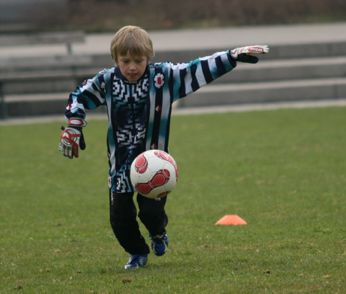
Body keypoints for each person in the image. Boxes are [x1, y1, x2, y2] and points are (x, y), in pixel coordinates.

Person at [58, 25, 269, 270]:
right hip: (120, 166)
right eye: (125, 61)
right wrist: (74, 126)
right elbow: (79, 96)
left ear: (149, 58)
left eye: (139, 60)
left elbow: (196, 68)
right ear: (115, 59)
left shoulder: (163, 78)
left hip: (156, 168)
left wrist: (230, 56)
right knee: (119, 218)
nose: (133, 67)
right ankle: (137, 252)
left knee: (151, 214)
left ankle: (158, 233)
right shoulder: (106, 80)